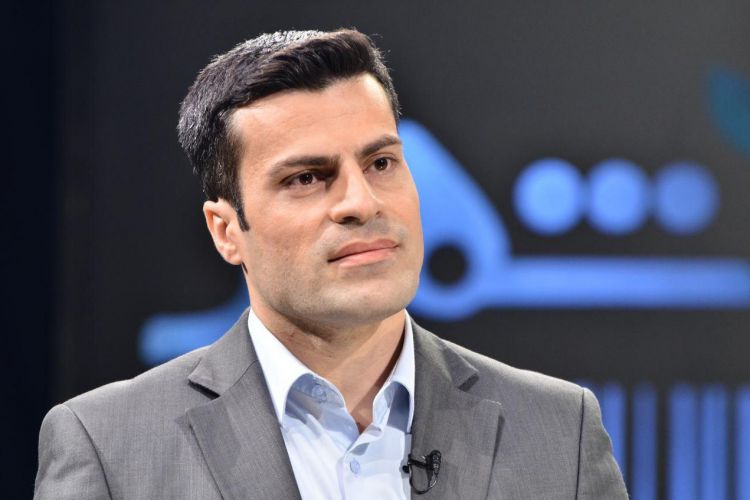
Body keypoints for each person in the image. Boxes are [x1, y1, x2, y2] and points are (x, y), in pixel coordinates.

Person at [34, 29, 627, 499]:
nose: (361, 203)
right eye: (307, 178)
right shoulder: (109, 448)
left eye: (381, 164)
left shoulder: (560, 430)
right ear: (227, 231)